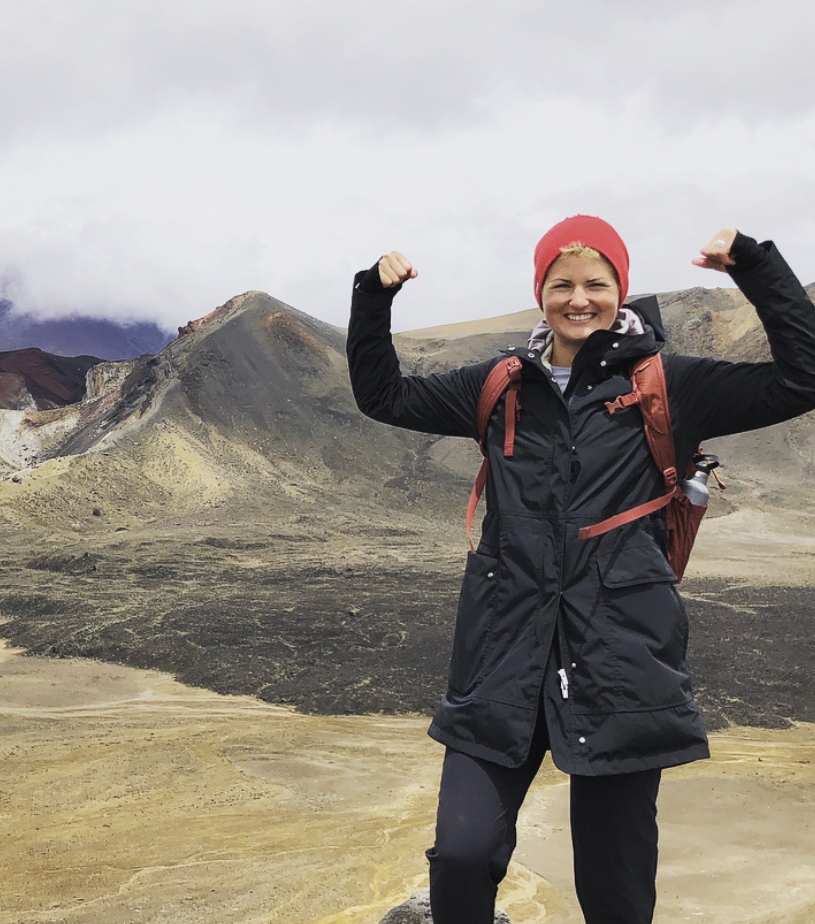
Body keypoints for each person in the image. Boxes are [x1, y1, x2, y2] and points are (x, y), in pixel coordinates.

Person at [346, 216, 815, 924]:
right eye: (560, 283)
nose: (578, 298)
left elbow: (803, 377)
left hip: (621, 659)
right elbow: (383, 396)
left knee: (614, 886)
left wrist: (755, 267)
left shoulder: (669, 384)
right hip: (502, 655)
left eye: (596, 283)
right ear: (540, 292)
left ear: (620, 289)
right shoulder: (500, 384)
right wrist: (374, 298)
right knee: (463, 853)